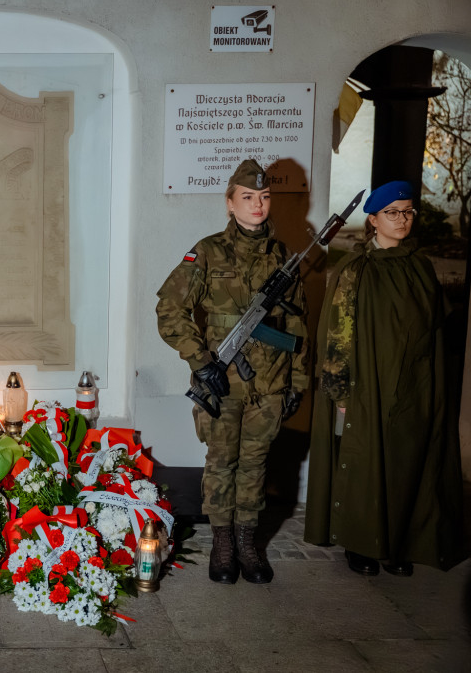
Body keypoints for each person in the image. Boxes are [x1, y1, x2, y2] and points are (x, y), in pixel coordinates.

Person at [156, 159, 308, 585]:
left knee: (255, 465)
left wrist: (297, 381)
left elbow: (298, 326)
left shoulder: (284, 257)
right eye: (247, 197)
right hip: (222, 381)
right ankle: (222, 545)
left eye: (264, 196)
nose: (257, 205)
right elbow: (170, 310)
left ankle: (247, 543)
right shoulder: (207, 252)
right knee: (222, 463)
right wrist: (201, 362)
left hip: (271, 383)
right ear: (229, 203)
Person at [304, 180, 465, 576]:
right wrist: (339, 392)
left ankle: (398, 543)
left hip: (414, 384)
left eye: (408, 212)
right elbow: (337, 334)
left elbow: (435, 328)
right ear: (373, 220)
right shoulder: (356, 270)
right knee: (364, 462)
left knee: (406, 463)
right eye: (392, 213)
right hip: (367, 384)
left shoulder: (420, 265)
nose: (402, 219)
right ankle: (359, 543)